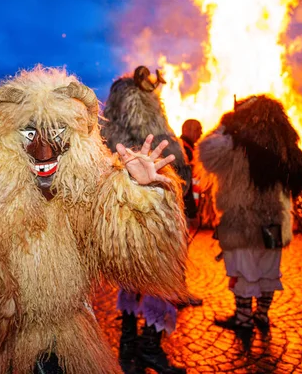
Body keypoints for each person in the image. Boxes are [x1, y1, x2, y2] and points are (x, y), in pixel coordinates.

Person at [0, 66, 189, 373]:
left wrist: (140, 192)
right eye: (29, 133)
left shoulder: (88, 191)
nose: (43, 151)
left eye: (57, 133)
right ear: (3, 139)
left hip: (65, 341)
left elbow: (132, 252)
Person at [102, 66, 193, 374]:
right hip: (154, 226)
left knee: (131, 278)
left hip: (128, 227)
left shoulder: (109, 135)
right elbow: (177, 179)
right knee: (160, 281)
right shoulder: (151, 132)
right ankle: (149, 349)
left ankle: (129, 345)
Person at [197, 95, 302, 333]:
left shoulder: (234, 144)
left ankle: (243, 320)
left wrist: (225, 124)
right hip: (273, 223)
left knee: (244, 270)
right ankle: (262, 315)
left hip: (243, 224)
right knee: (268, 269)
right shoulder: (285, 149)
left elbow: (206, 150)